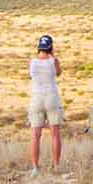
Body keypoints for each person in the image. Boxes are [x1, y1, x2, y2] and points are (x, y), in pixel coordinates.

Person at [27, 34, 63, 174]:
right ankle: (56, 165)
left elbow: (30, 75)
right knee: (55, 133)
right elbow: (58, 73)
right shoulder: (53, 61)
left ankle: (35, 167)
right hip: (51, 96)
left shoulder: (32, 62)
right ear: (51, 47)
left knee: (35, 135)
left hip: (37, 97)